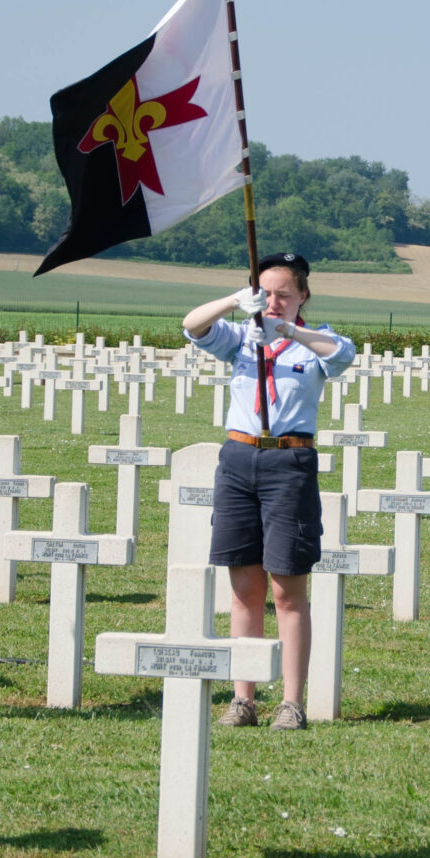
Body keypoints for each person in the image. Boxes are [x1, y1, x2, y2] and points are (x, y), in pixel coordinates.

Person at [179, 254, 356, 731]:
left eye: (283, 293)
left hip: (289, 461)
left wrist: (289, 333)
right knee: (243, 588)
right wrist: (235, 303)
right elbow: (192, 326)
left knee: (286, 588)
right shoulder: (240, 337)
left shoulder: (314, 340)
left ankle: (292, 703)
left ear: (303, 296)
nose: (274, 301)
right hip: (239, 459)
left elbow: (343, 355)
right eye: (265, 292)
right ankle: (243, 698)